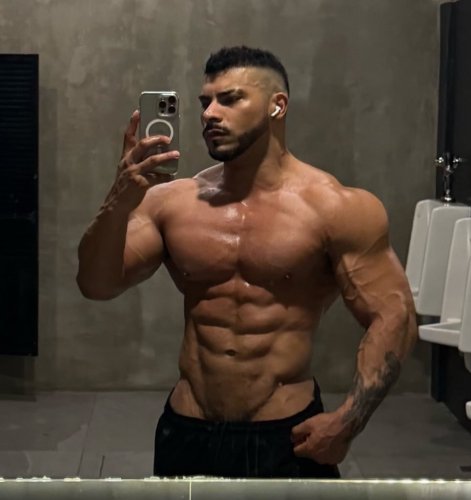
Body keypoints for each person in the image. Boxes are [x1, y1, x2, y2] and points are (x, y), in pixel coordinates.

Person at [77, 46, 417, 478]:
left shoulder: (336, 208)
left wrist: (349, 421)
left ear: (278, 105)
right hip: (187, 429)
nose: (210, 114)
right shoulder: (170, 202)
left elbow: (395, 315)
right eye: (205, 102)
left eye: (230, 99)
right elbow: (96, 284)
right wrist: (118, 199)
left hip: (285, 433)